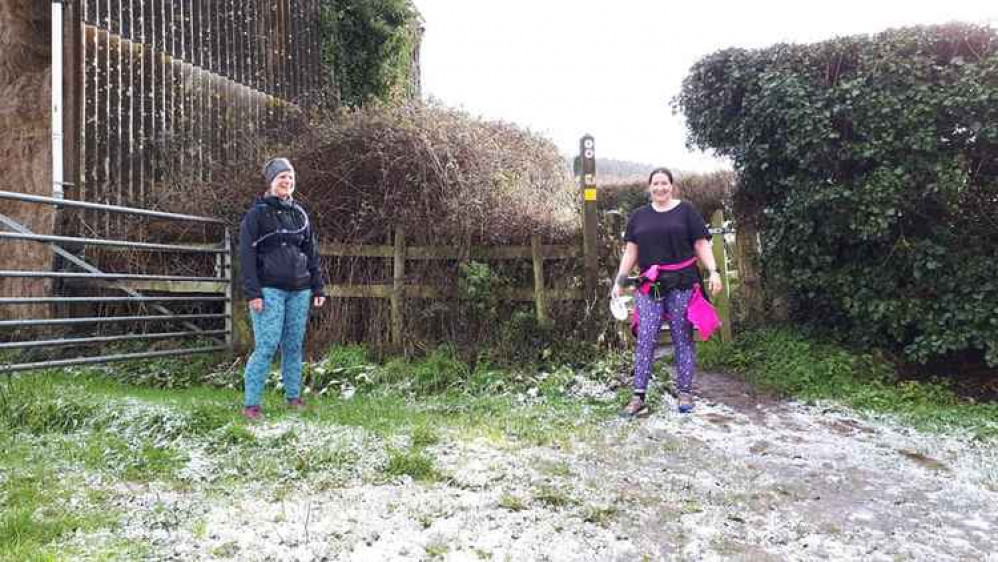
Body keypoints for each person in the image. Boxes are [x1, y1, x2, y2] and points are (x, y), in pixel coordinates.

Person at [611, 167, 722, 417]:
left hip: (682, 283)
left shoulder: (686, 212)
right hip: (650, 286)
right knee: (646, 339)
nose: (660, 188)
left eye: (664, 183)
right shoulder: (639, 217)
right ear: (649, 187)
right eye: (655, 184)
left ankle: (684, 392)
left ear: (672, 186)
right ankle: (638, 396)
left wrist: (714, 271)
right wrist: (619, 281)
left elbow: (701, 244)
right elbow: (631, 252)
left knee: (682, 338)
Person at [239, 157, 326, 419]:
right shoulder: (257, 215)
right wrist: (253, 293)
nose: (286, 182)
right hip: (269, 291)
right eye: (281, 178)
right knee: (266, 345)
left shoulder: (300, 215)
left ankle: (293, 397)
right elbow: (246, 256)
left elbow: (311, 253)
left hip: (300, 290)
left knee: (293, 345)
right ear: (271, 182)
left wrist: (318, 288)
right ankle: (251, 405)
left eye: (290, 178)